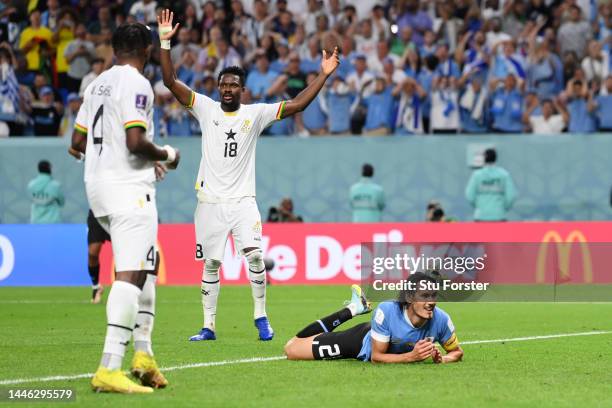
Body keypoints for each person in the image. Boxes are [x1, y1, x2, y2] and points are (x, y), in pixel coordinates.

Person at [157, 9, 339, 342]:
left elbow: (297, 104)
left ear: (242, 90)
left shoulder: (255, 115)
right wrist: (165, 43)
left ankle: (261, 318)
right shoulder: (204, 107)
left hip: (243, 202)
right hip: (209, 202)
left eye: (234, 85)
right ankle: (208, 326)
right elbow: (169, 82)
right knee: (211, 265)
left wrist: (324, 74)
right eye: (223, 84)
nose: (227, 89)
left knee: (255, 256)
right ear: (218, 87)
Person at [71, 22, 181, 394]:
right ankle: (109, 366)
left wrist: (122, 160)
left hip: (98, 190)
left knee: (148, 266)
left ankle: (144, 355)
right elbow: (136, 141)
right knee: (131, 274)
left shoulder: (95, 84)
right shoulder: (137, 83)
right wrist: (165, 154)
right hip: (128, 193)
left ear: (114, 49)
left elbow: (76, 142)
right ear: (148, 49)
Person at [284, 274, 464, 364]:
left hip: (380, 333)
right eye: (424, 296)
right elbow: (377, 357)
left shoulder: (441, 319)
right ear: (409, 298)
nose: (431, 302)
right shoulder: (386, 311)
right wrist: (411, 356)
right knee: (292, 348)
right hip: (359, 341)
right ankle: (352, 309)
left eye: (433, 296)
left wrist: (443, 360)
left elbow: (457, 352)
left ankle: (355, 307)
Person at [465, 148, 516, 222]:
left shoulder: (477, 175)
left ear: (484, 159)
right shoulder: (504, 174)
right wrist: (503, 208)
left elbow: (469, 195)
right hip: (499, 216)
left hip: (481, 216)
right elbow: (511, 195)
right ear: (495, 158)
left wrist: (479, 207)